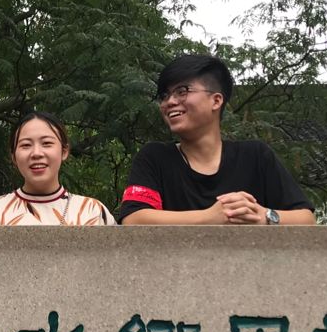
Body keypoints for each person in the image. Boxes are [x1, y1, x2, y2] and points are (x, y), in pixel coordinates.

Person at [117, 54, 315, 226]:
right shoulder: (155, 157)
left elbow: (306, 219)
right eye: (164, 95)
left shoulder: (255, 156)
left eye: (182, 91)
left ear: (216, 100)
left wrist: (263, 216)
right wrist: (210, 217)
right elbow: (133, 219)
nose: (170, 102)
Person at [0, 112, 114, 226]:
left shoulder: (93, 212)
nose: (36, 153)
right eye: (26, 145)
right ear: (14, 157)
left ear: (64, 151)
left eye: (46, 143)